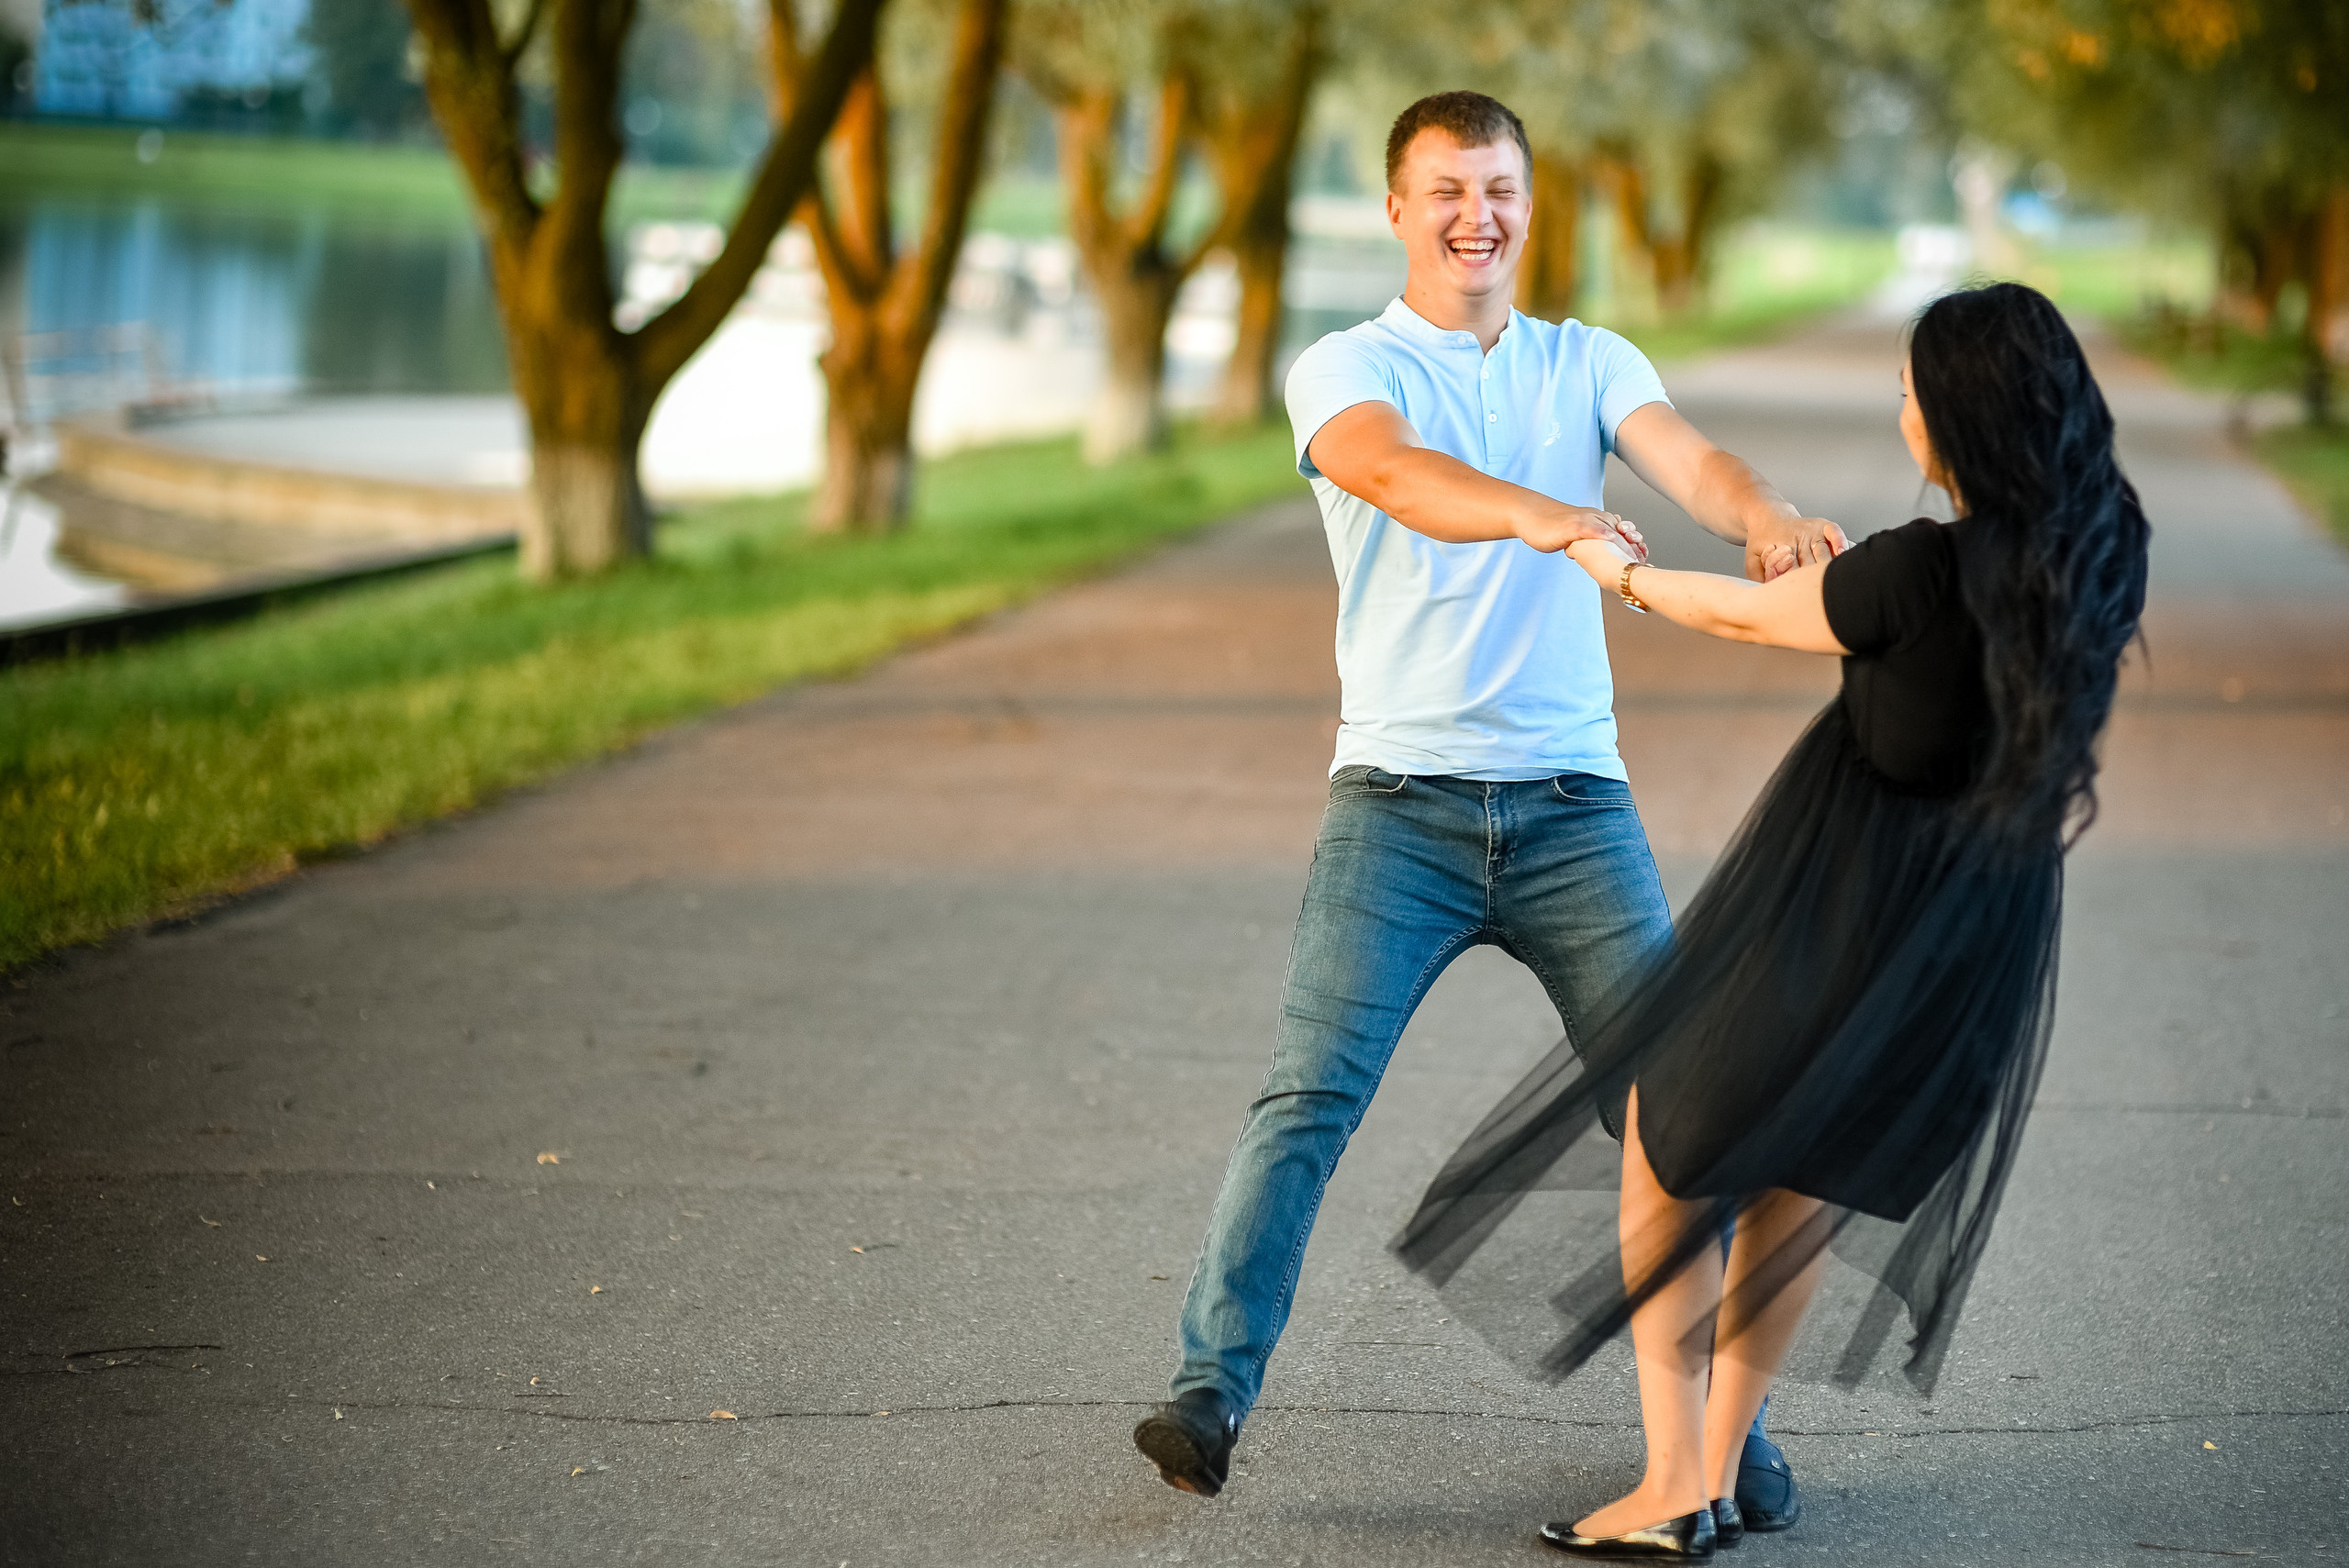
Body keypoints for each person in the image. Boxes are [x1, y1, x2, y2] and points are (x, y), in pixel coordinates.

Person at [1129, 90, 1842, 1529]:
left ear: (1530, 201)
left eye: (1501, 188)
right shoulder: (1343, 369)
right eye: (1447, 190)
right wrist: (1543, 512)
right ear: (1397, 209)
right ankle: (1212, 1386)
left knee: (1678, 1116)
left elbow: (1692, 460)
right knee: (1308, 1095)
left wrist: (1760, 512)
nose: (1478, 216)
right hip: (1398, 807)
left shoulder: (1586, 361)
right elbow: (1394, 474)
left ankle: (1720, 1447)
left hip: (1577, 808)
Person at [1393, 280, 2152, 1559]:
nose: (1901, 410)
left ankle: (1675, 1481)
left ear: (1957, 417)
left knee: (1669, 1137)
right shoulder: (2100, 553)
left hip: (1846, 899)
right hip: (1981, 925)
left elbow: (1737, 611)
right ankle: (1723, 1466)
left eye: (1911, 391)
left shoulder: (1917, 569)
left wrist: (1609, 566)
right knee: (1804, 1171)